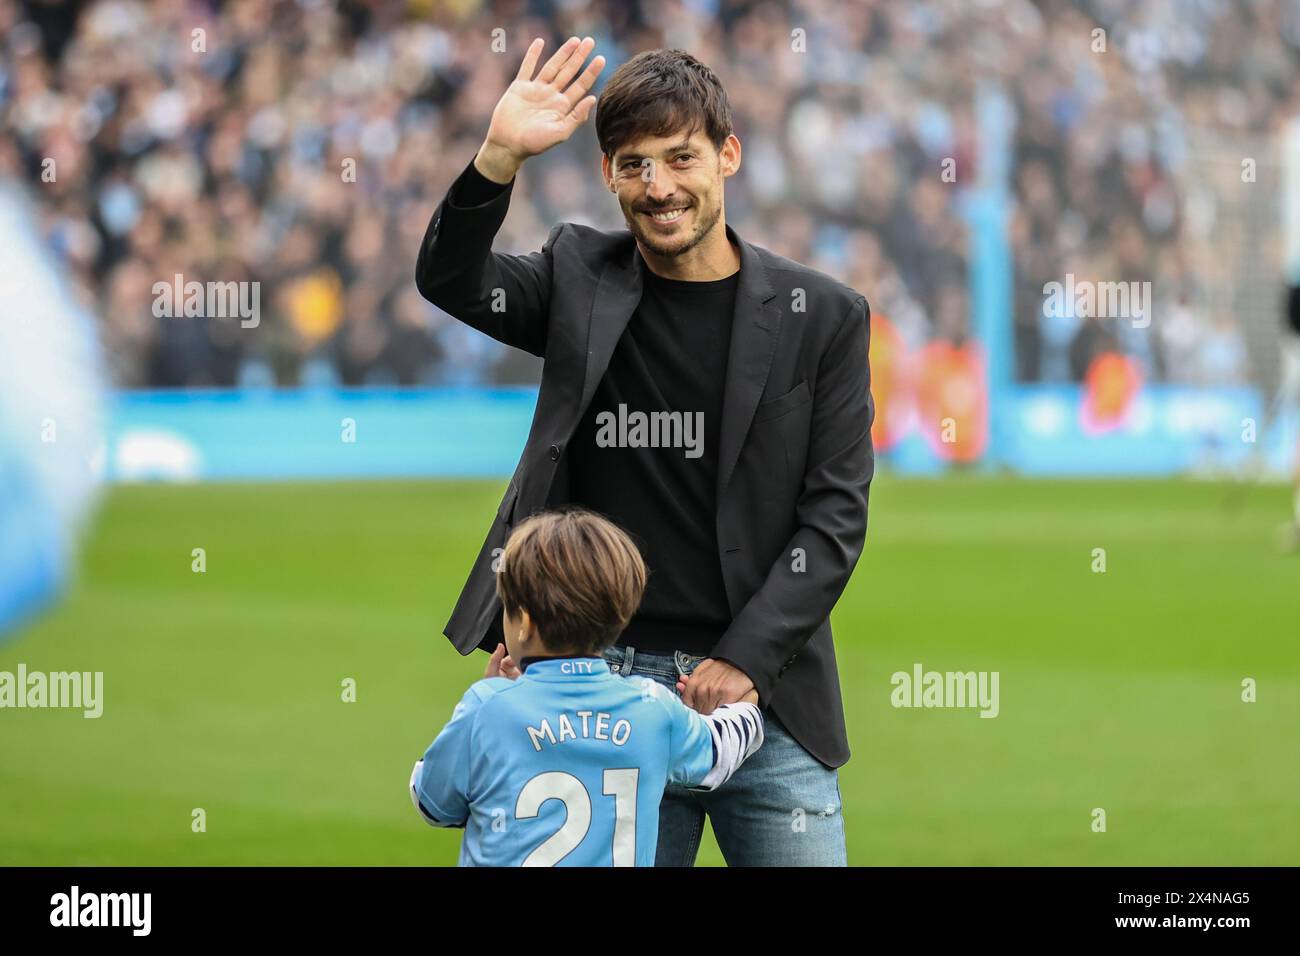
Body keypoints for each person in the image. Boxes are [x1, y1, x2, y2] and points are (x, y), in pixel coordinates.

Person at [416, 37, 873, 866]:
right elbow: (452, 281)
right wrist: (496, 158)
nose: (658, 187)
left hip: (764, 696)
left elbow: (835, 517)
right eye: (633, 165)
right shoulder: (576, 276)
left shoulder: (824, 314)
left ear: (728, 155)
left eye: (680, 158)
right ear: (608, 175)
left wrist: (744, 660)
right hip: (599, 690)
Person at [409, 508, 763, 866]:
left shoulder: (487, 707)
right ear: (620, 617)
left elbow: (432, 803)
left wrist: (493, 701)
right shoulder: (652, 707)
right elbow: (722, 752)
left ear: (524, 624)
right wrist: (746, 705)